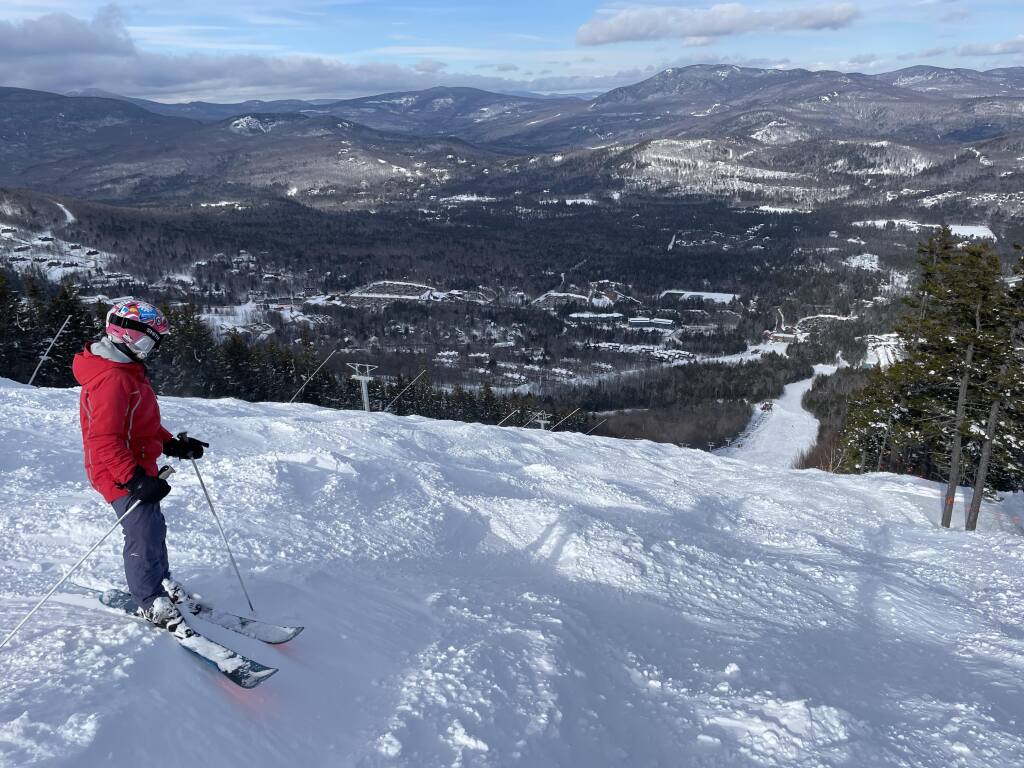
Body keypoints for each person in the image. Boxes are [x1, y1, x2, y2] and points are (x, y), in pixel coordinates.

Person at [72, 300, 208, 637]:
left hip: (135, 466)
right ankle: (149, 599)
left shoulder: (128, 370)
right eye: (150, 341)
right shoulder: (113, 379)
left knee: (153, 526)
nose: (152, 349)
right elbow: (104, 438)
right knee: (142, 533)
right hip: (116, 471)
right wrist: (132, 479)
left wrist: (171, 444)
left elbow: (139, 425)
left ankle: (159, 579)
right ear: (129, 337)